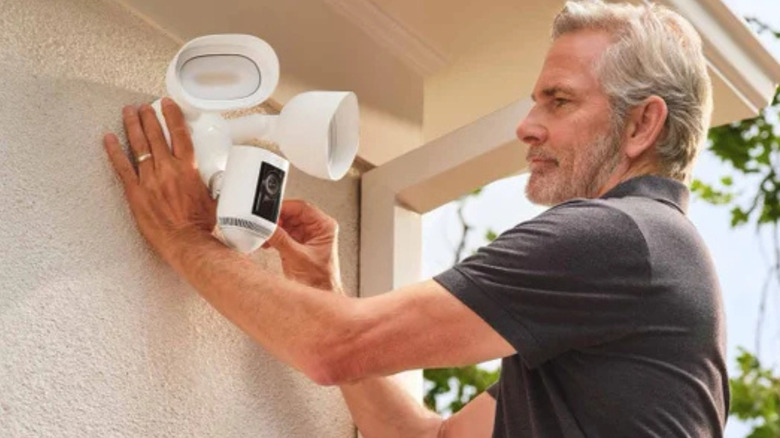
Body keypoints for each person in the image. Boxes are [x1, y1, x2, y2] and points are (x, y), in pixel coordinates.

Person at [103, 0, 729, 436]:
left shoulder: (621, 238)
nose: (526, 126)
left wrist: (184, 236)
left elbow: (332, 349)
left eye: (558, 101)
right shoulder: (642, 268)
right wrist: (321, 290)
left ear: (642, 124)